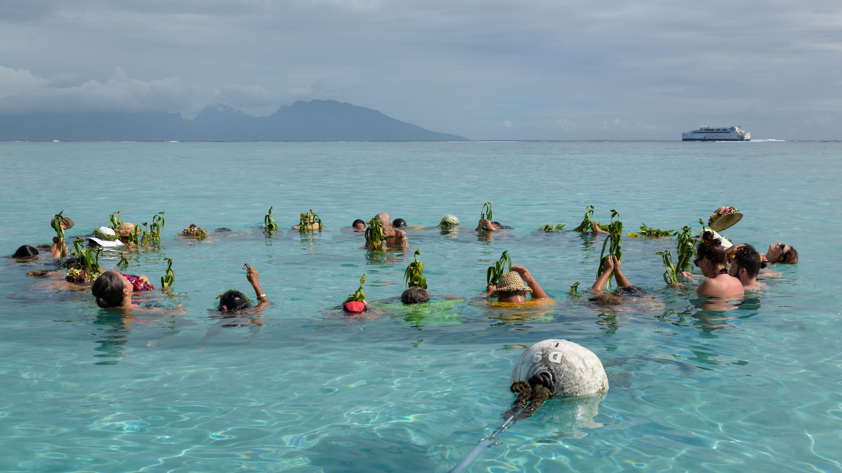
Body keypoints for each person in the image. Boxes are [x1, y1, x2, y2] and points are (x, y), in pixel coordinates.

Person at [679, 231, 744, 297]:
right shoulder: (737, 281)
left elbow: (692, 297)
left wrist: (678, 288)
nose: (698, 266)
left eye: (696, 262)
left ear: (705, 261)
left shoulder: (709, 283)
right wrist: (688, 278)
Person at [92, 271, 159, 309]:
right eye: (125, 278)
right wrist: (148, 284)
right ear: (125, 291)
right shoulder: (142, 312)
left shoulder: (112, 304)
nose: (125, 276)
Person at [481, 266, 549, 303]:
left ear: (499, 295)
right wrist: (530, 280)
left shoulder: (495, 307)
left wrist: (488, 293)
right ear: (525, 293)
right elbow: (544, 299)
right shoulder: (531, 306)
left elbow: (476, 302)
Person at [726, 242, 798, 265]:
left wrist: (726, 253)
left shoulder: (764, 269)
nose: (778, 243)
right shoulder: (755, 257)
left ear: (780, 257)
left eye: (782, 246)